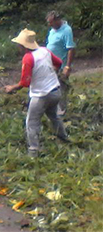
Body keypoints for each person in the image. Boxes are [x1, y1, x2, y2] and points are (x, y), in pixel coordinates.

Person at [5, 29, 68, 158]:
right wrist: (49, 73)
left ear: (23, 46)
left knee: (32, 122)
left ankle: (33, 151)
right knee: (54, 116)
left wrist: (12, 88)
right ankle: (64, 139)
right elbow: (59, 63)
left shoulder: (28, 58)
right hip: (55, 91)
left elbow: (25, 82)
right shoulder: (45, 51)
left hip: (41, 96)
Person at [45, 11, 76, 116]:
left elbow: (70, 48)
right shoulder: (52, 30)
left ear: (58, 20)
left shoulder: (66, 30)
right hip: (50, 65)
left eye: (51, 22)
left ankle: (62, 112)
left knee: (61, 88)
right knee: (50, 88)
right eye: (49, 23)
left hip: (61, 66)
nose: (50, 25)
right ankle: (52, 111)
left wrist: (67, 66)